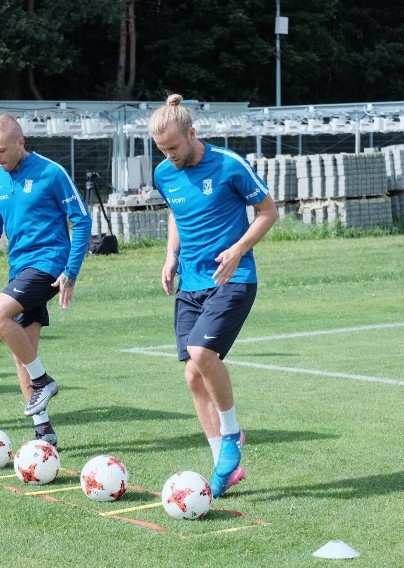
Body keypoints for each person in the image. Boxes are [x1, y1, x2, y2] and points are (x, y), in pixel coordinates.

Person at [148, 94, 278, 497]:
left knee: (203, 355)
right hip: (189, 285)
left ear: (192, 133)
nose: (168, 156)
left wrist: (239, 249)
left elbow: (268, 212)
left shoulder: (229, 164)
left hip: (233, 279)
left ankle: (233, 437)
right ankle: (225, 465)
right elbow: (175, 213)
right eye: (161, 150)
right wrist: (171, 256)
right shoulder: (164, 174)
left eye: (173, 147)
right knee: (192, 375)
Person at [0, 114, 91, 446]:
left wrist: (70, 272)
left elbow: (82, 221)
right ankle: (43, 430)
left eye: (0, 150)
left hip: (47, 264)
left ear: (20, 143)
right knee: (23, 351)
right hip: (19, 269)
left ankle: (43, 380)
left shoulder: (51, 173)